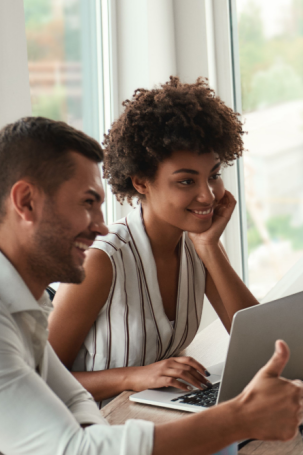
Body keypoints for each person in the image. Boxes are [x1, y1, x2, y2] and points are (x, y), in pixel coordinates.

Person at [0, 117, 303, 455]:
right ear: (26, 202)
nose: (100, 224)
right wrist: (239, 418)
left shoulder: (11, 299)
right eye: (86, 202)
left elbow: (70, 399)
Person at [48, 77, 258, 402]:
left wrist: (209, 248)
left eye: (214, 175)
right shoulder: (101, 260)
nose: (207, 195)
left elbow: (264, 347)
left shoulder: (200, 245)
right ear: (142, 182)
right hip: (96, 429)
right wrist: (134, 377)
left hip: (155, 417)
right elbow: (44, 381)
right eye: (187, 181)